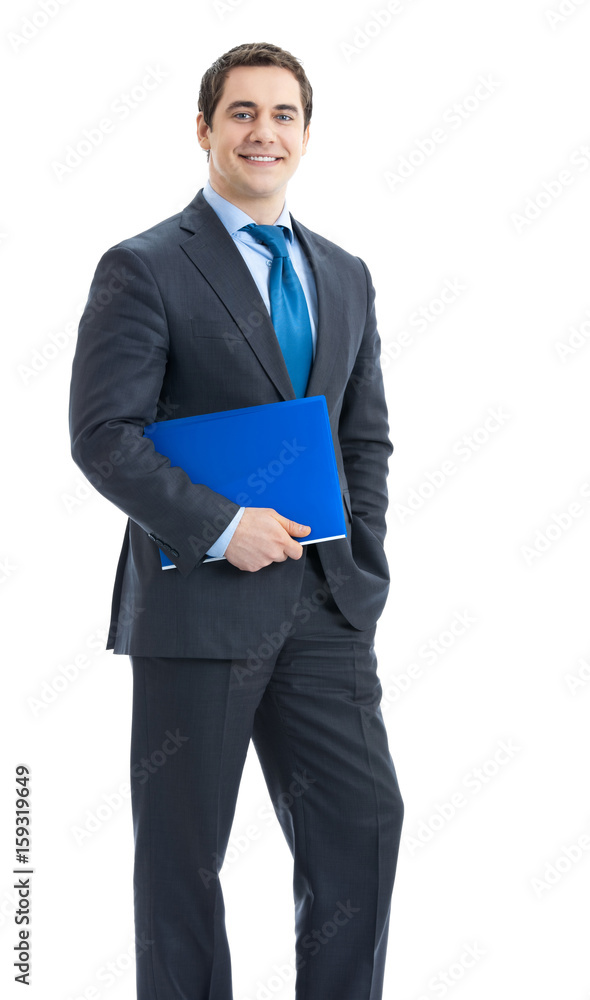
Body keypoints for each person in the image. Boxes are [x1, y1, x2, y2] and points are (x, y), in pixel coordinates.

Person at [69, 40, 404, 1000]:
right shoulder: (143, 268)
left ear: (305, 133)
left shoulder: (344, 274)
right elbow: (104, 436)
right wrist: (223, 525)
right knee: (181, 865)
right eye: (244, 113)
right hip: (199, 611)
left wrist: (363, 571)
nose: (265, 132)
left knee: (364, 832)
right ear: (206, 129)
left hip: (327, 613)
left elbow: (364, 440)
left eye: (284, 114)